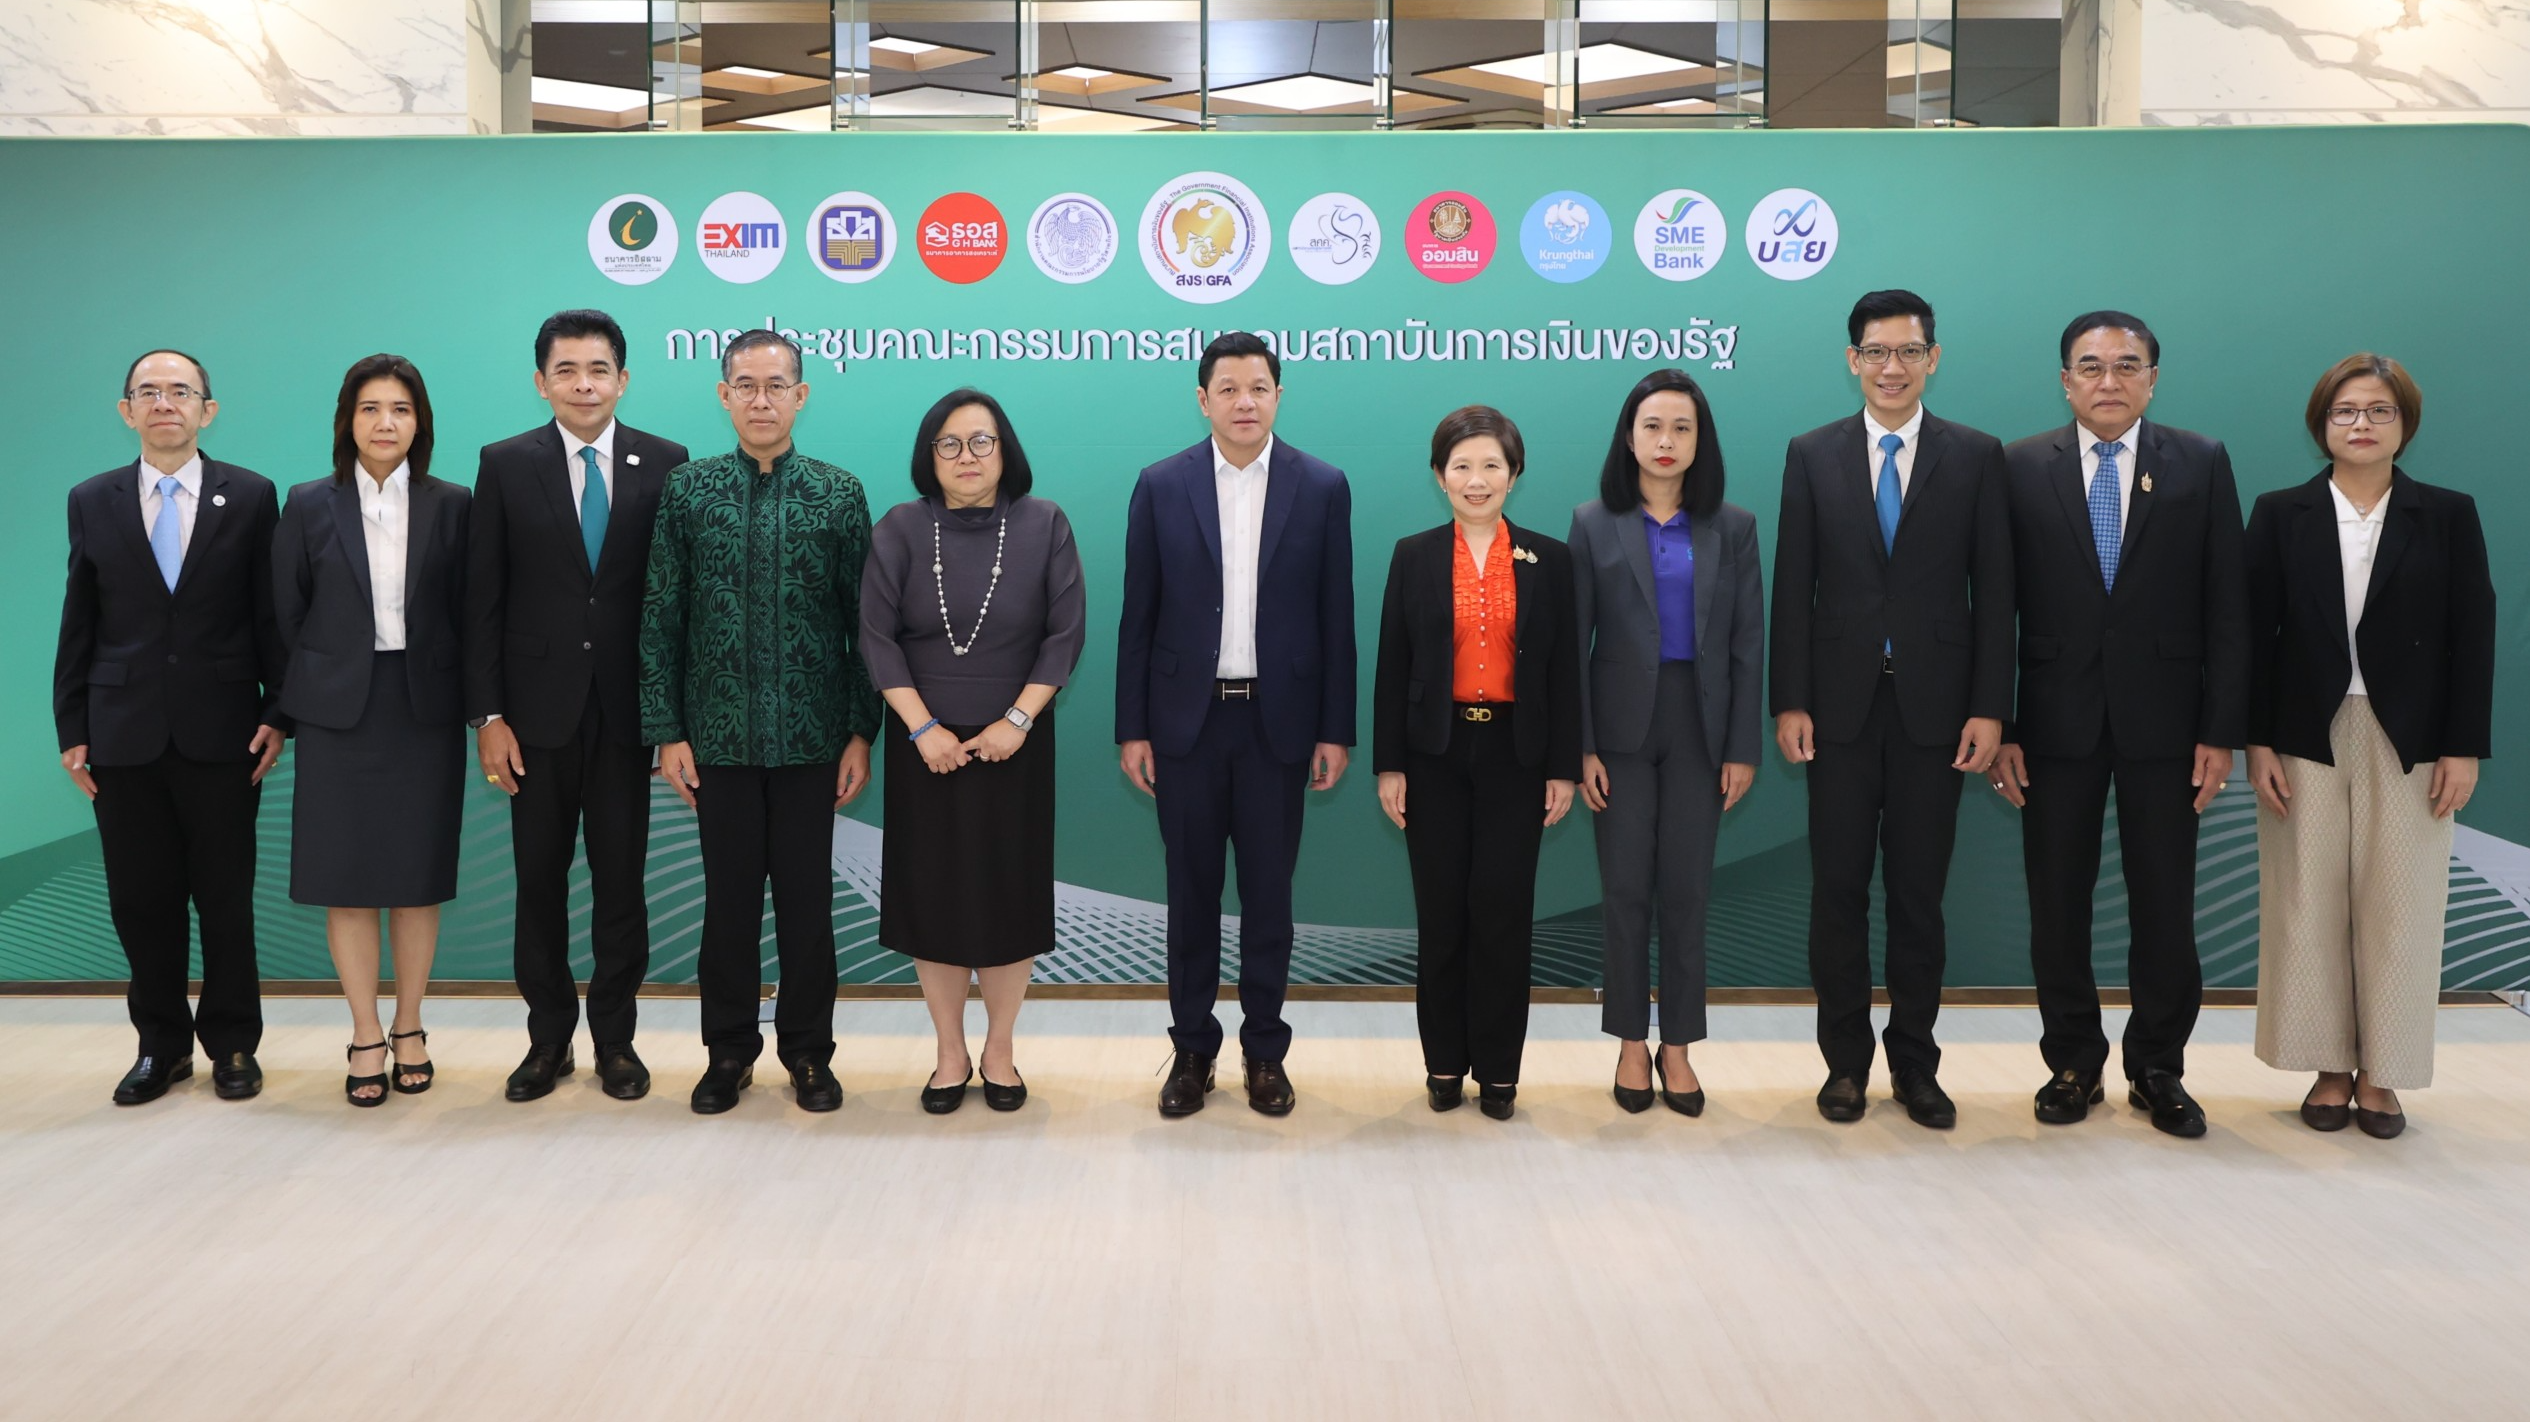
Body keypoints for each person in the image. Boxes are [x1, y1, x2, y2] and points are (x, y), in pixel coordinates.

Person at [1989, 312, 2248, 1137]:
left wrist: (2220, 730)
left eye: (2127, 365)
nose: (2110, 380)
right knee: (2057, 902)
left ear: (2153, 378)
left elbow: (2228, 604)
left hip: (2168, 724)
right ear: (2065, 380)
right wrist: (2002, 724)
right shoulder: (2019, 464)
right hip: (2052, 722)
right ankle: (2073, 1062)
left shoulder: (2200, 460)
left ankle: (2158, 1067)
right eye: (2091, 366)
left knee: (2165, 903)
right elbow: (1996, 606)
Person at [1770, 289, 2013, 1130]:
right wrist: (1790, 699)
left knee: (1918, 896)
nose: (1892, 367)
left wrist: (1990, 707)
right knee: (1837, 892)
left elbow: (1996, 593)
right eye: (1876, 352)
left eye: (1909, 351)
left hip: (1936, 715)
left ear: (1932, 359)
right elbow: (1792, 587)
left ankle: (1915, 1064)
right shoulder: (1811, 453)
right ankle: (1844, 1064)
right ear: (1853, 361)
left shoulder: (1975, 455)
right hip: (1837, 712)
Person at [2245, 353, 2493, 1140]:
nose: (2361, 424)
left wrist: (2463, 746)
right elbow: (2252, 634)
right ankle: (2326, 1066)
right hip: (2303, 734)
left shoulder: (2447, 513)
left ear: (2404, 424)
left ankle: (2383, 1073)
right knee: (2307, 902)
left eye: (2379, 410)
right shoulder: (2281, 512)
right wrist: (2257, 739)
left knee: (2401, 906)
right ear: (2322, 423)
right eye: (2345, 410)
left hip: (2412, 738)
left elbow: (2473, 633)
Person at [639, 328, 880, 1116]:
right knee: (729, 906)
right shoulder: (689, 491)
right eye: (745, 385)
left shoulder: (838, 493)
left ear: (801, 395)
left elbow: (865, 624)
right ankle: (728, 1052)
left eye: (777, 385)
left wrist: (861, 729)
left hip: (815, 741)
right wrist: (667, 731)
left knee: (808, 907)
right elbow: (661, 615)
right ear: (724, 395)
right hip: (718, 741)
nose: (761, 400)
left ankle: (809, 1053)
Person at [1117, 331, 1356, 1118]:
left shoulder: (1322, 485)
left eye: (1259, 387)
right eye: (1228, 388)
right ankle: (1192, 1050)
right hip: (1185, 725)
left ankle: (1264, 1050)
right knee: (1190, 896)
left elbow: (1337, 615)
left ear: (1279, 395)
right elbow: (1138, 616)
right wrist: (1133, 727)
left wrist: (1335, 729)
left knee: (1268, 896)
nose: (1244, 401)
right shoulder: (1161, 484)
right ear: (1203, 399)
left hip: (1277, 725)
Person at [465, 310, 690, 1104]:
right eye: (566, 370)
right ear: (542, 382)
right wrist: (488, 715)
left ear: (622, 380)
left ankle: (616, 1042)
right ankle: (548, 1040)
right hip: (533, 717)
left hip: (628, 714)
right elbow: (482, 599)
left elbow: (673, 601)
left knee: (621, 883)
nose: (584, 384)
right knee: (539, 882)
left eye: (599, 369)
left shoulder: (666, 462)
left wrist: (671, 720)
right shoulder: (504, 463)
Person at [54, 350, 287, 1106]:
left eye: (180, 391)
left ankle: (233, 1044)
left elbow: (269, 615)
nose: (164, 403)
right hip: (121, 734)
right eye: (147, 392)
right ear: (127, 411)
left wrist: (277, 712)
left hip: (225, 732)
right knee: (141, 901)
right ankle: (161, 1046)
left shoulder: (250, 495)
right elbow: (80, 619)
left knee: (226, 899)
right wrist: (72, 724)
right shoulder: (92, 499)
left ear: (206, 410)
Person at [861, 389, 1086, 1114]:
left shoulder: (1045, 523)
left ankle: (1000, 1050)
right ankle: (950, 1051)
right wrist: (922, 728)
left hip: (1015, 743)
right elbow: (876, 637)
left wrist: (1017, 719)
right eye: (950, 443)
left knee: (1008, 899)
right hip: (924, 745)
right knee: (935, 902)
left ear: (1005, 450)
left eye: (981, 441)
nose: (967, 456)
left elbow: (1064, 634)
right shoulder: (900, 528)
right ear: (929, 456)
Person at [1373, 405, 1580, 1122]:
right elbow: (1392, 665)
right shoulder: (1413, 555)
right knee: (1441, 915)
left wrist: (1562, 767)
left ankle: (1497, 1071)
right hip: (1433, 753)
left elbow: (1563, 672)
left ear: (1514, 474)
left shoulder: (1550, 558)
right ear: (1440, 476)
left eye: (1492, 464)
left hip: (1517, 755)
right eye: (1461, 465)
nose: (1477, 478)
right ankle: (1443, 1063)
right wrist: (1390, 764)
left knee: (1502, 915)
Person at [274, 354, 470, 1107]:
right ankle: (363, 1033)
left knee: (417, 882)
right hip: (336, 716)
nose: (386, 422)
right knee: (347, 882)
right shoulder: (307, 503)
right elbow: (285, 613)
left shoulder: (453, 504)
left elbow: (469, 609)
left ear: (420, 423)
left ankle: (410, 1026)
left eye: (401, 409)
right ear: (347, 421)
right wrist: (297, 700)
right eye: (370, 408)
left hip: (422, 711)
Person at [1567, 370, 1764, 1118]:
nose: (1666, 441)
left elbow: (1748, 644)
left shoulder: (1733, 526)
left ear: (1699, 441)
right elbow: (1572, 645)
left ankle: (1677, 1044)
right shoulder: (1593, 523)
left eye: (1682, 427)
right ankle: (1628, 1041)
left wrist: (1741, 746)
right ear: (1629, 437)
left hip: (1700, 728)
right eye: (1652, 426)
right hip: (1618, 732)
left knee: (1686, 893)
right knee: (1624, 892)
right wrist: (1582, 745)